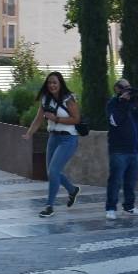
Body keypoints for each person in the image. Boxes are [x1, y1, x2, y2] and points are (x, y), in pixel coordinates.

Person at [23, 71, 81, 218]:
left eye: (54, 82)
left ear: (60, 83)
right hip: (53, 138)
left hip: (68, 139)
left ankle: (49, 206)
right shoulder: (45, 99)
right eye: (49, 83)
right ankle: (72, 190)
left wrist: (56, 119)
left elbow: (76, 119)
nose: (52, 85)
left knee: (53, 171)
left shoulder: (69, 98)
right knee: (52, 172)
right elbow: (38, 119)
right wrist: (29, 133)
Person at [105, 78, 138, 220]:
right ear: (117, 89)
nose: (128, 89)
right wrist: (122, 102)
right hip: (118, 150)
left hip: (134, 150)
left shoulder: (133, 103)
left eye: (129, 86)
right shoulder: (113, 103)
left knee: (131, 181)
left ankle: (129, 206)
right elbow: (115, 121)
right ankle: (111, 208)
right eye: (124, 87)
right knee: (115, 181)